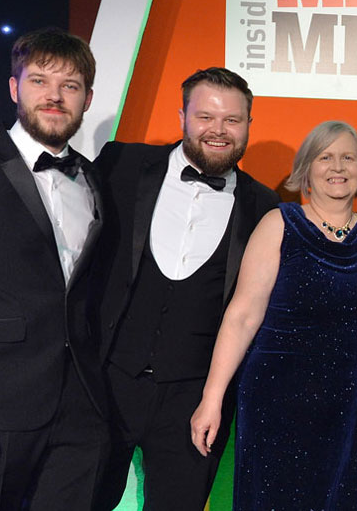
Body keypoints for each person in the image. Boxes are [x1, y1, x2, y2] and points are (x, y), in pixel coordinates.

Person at [92, 68, 280, 510]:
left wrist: (214, 397)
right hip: (107, 382)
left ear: (249, 125)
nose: (218, 130)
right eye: (205, 116)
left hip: (196, 400)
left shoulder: (265, 206)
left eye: (232, 120)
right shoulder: (122, 164)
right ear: (182, 116)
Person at [190, 120, 357, 509]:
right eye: (325, 157)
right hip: (275, 400)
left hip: (346, 406)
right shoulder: (280, 224)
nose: (337, 166)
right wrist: (212, 398)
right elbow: (242, 316)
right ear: (307, 170)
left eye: (348, 157)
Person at [0, 27, 107, 511]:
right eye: (40, 81)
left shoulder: (94, 178)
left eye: (71, 86)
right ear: (14, 88)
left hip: (81, 401)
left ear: (86, 99)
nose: (55, 97)